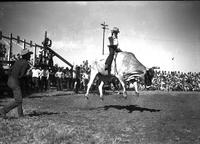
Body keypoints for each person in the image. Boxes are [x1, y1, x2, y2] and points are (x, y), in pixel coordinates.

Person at [0, 49, 33, 118]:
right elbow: (21, 75)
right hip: (15, 82)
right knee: (18, 100)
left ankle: (20, 115)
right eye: (29, 55)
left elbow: (9, 71)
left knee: (18, 98)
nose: (30, 56)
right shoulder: (26, 63)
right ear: (26, 56)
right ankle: (3, 110)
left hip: (10, 80)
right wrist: (28, 73)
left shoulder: (17, 61)